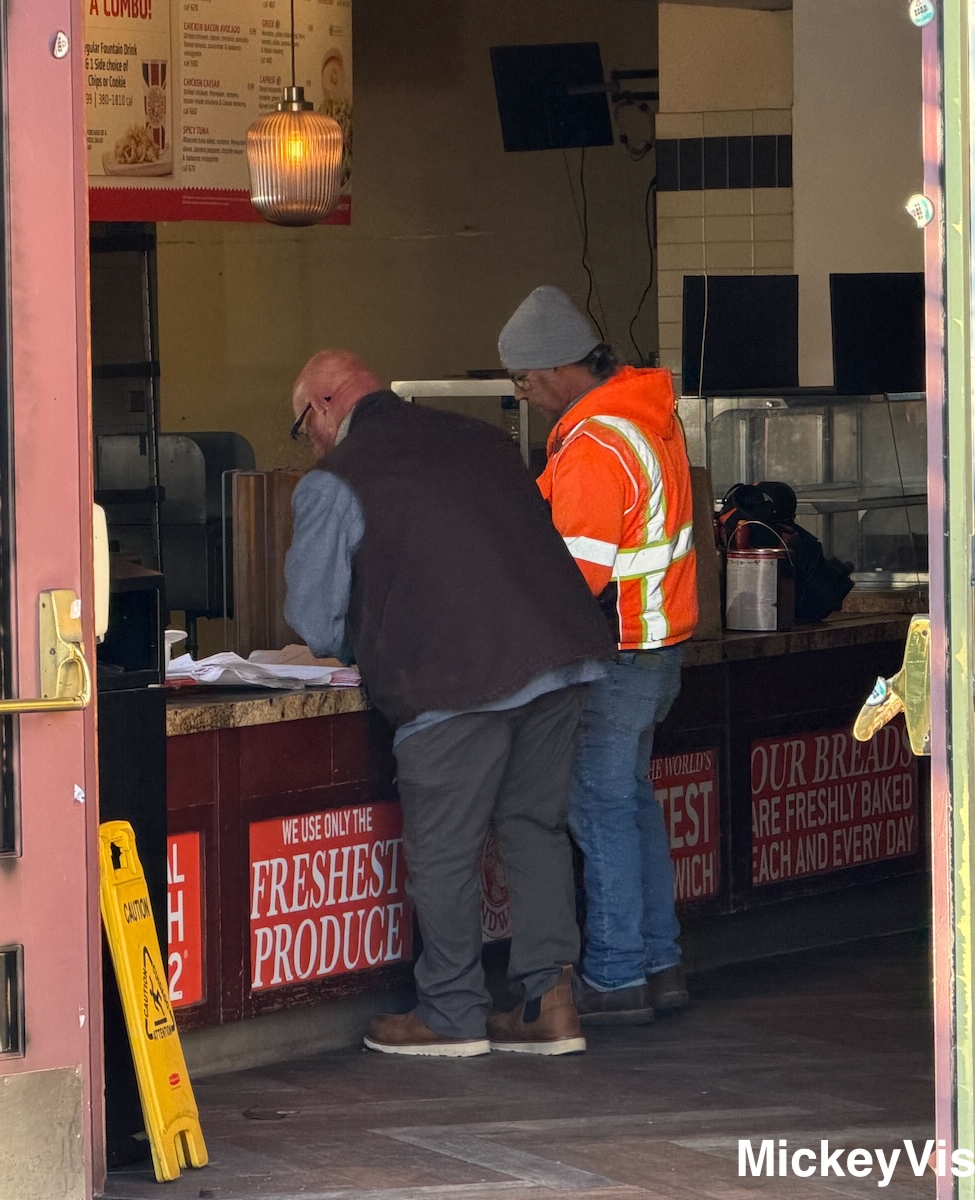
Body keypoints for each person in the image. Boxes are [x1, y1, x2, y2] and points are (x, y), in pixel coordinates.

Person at [282, 349, 616, 1057]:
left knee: (444, 848)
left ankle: (451, 1011)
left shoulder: (334, 480)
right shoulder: (481, 438)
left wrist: (360, 640)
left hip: (451, 676)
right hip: (560, 655)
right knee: (535, 828)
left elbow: (312, 620)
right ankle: (550, 1005)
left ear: (324, 406)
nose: (308, 441)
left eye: (301, 425)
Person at [498, 286, 699, 1024]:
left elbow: (571, 575)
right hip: (658, 646)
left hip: (615, 654)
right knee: (632, 805)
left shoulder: (594, 445)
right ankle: (659, 962)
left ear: (555, 368)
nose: (524, 396)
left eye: (522, 381)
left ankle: (615, 978)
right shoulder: (647, 419)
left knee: (598, 807)